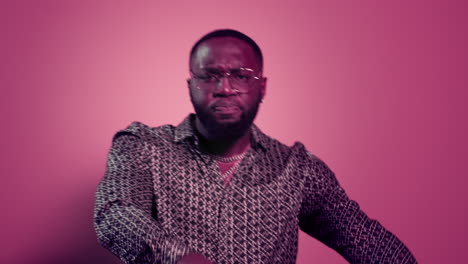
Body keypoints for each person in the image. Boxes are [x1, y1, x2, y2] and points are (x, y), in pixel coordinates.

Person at [94, 29, 417, 264]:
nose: (225, 88)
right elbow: (115, 212)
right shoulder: (143, 146)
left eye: (241, 75)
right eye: (210, 76)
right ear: (191, 86)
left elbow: (365, 240)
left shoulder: (298, 169)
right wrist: (176, 257)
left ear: (261, 87)